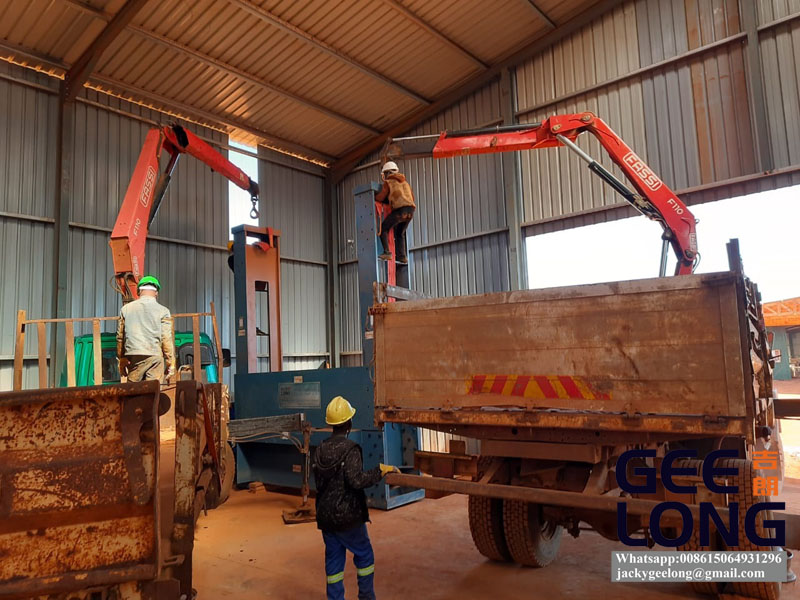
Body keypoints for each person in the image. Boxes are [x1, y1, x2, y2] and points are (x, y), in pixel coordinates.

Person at [313, 396, 398, 600]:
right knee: (365, 556)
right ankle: (367, 596)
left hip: (326, 517)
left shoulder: (320, 448)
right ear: (349, 423)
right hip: (348, 518)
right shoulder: (351, 450)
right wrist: (380, 471)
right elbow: (356, 480)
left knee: (334, 563)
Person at [116, 275, 176, 383]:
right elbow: (166, 338)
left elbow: (120, 337)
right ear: (156, 293)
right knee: (153, 391)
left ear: (139, 292)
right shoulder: (163, 311)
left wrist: (121, 359)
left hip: (133, 356)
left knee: (133, 392)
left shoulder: (125, 309)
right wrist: (170, 362)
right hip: (155, 356)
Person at [375, 161, 415, 264]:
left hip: (400, 210)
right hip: (410, 210)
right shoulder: (405, 183)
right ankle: (402, 256)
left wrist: (374, 197)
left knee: (383, 228)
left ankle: (387, 252)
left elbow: (381, 197)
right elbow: (412, 197)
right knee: (399, 233)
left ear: (387, 173)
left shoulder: (389, 182)